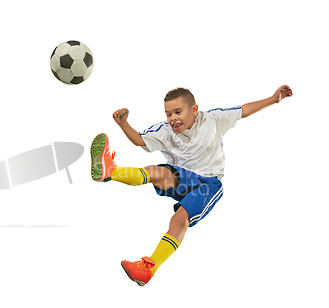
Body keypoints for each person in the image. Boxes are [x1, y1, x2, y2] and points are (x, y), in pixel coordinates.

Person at [90, 85, 293, 286]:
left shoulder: (213, 120)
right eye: (168, 113)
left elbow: (244, 110)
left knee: (179, 220)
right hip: (182, 178)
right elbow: (140, 140)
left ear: (194, 110)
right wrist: (123, 124)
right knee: (157, 171)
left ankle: (148, 269)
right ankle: (111, 172)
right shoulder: (165, 131)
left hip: (208, 184)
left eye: (178, 112)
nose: (172, 118)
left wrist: (273, 99)